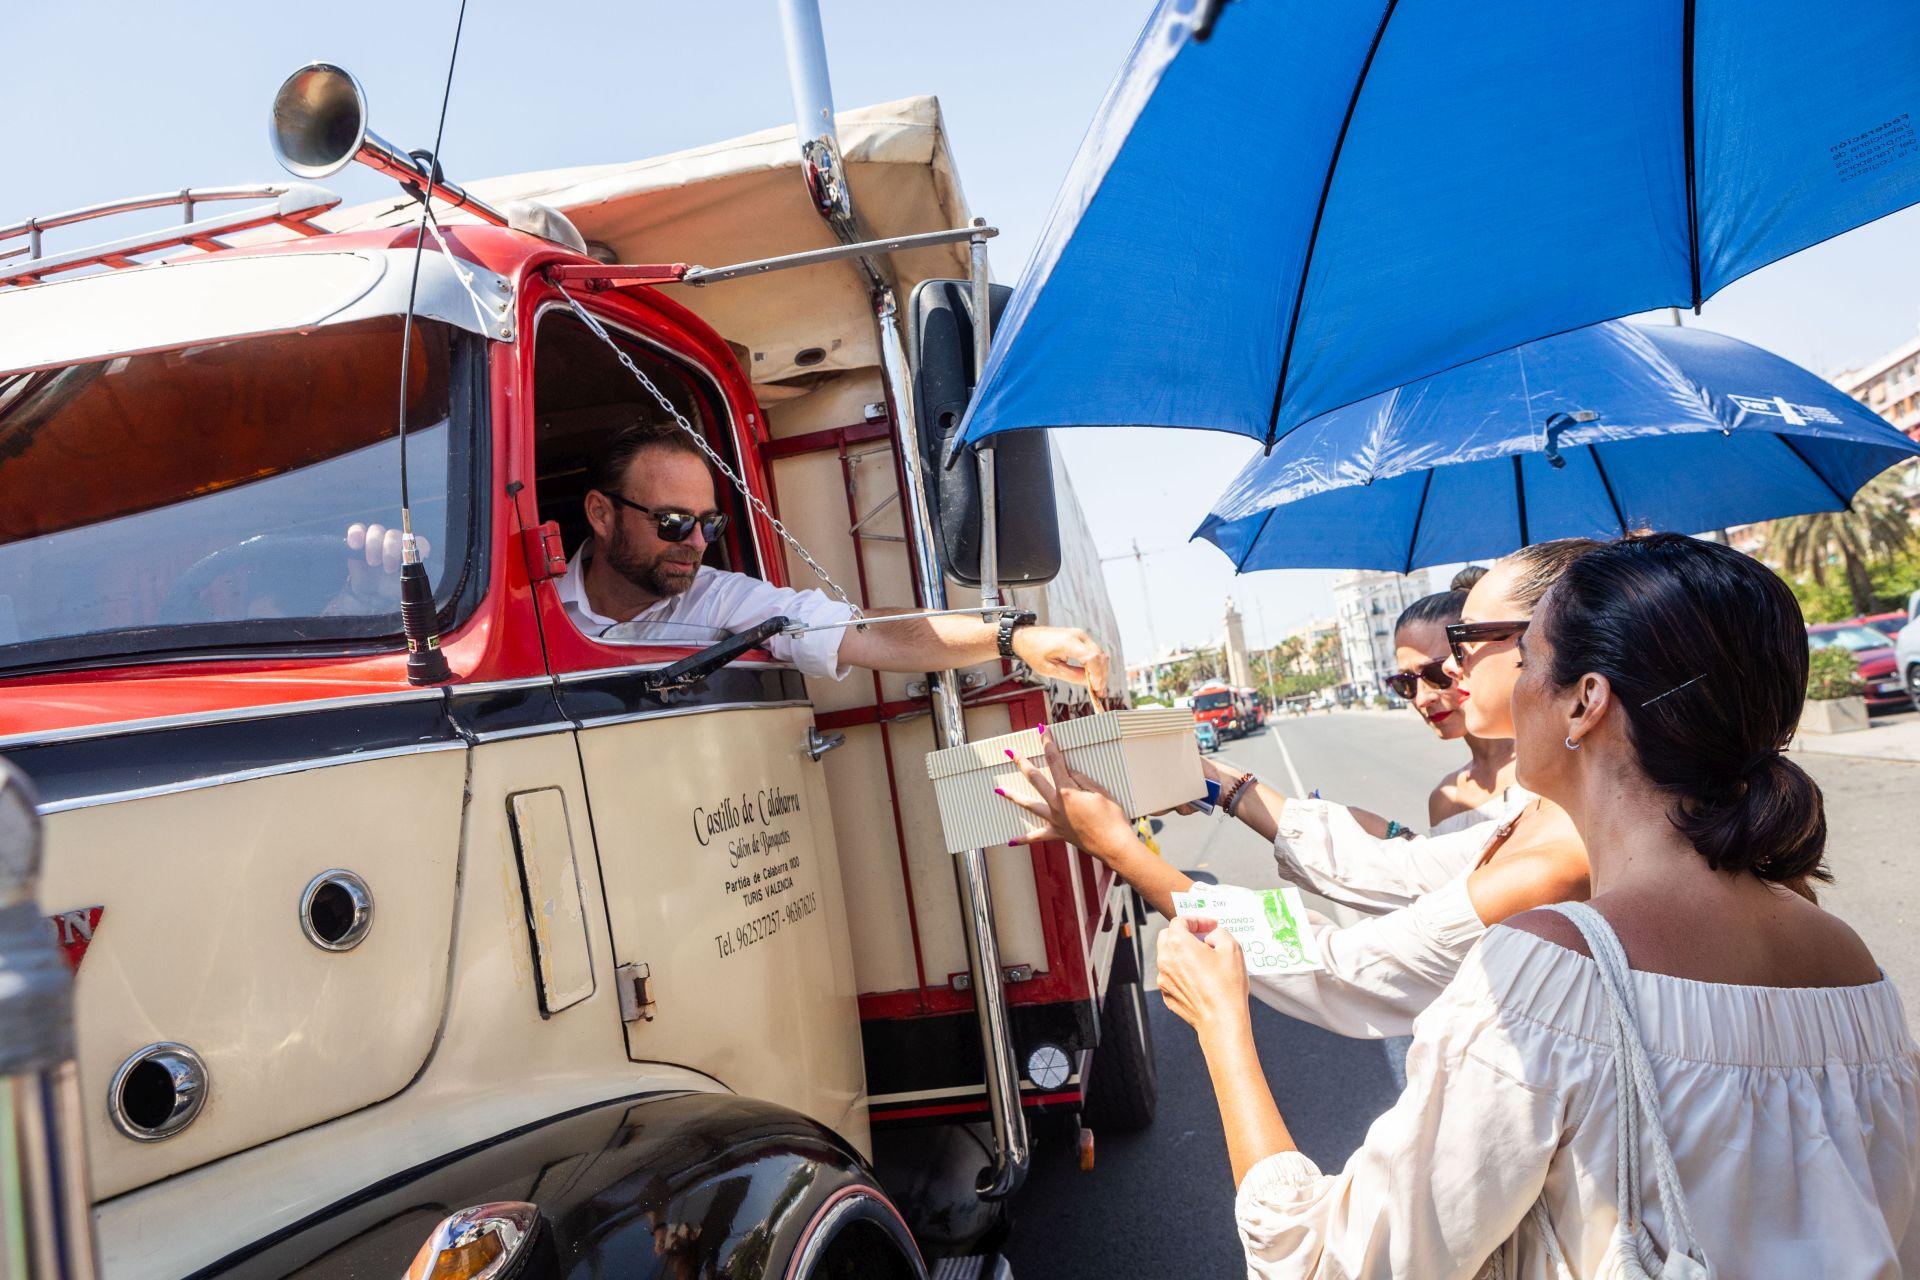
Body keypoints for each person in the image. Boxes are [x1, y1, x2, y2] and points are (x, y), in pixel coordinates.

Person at [1154, 532, 1920, 1277]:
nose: (1466, 682)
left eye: (1525, 659)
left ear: (1586, 702)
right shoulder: (1848, 960)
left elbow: (1335, 1263)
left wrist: (1223, 1030)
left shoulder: (1551, 968)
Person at [999, 539, 1597, 1038]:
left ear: (1568, 660)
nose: (1453, 672)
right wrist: (1213, 780)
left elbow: (1341, 970)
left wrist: (1120, 851)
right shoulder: (1552, 818)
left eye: (1465, 643)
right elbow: (1393, 867)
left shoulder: (1558, 856)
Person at [557, 423, 1110, 691]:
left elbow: (870, 631)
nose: (698, 543)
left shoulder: (721, 597)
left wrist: (1013, 638)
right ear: (602, 515)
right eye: (673, 522)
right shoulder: (523, 603)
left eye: (709, 524)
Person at [1386, 589, 1523, 834]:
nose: (1422, 699)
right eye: (1405, 682)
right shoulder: (1443, 799)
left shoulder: (1550, 767)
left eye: (1436, 674)